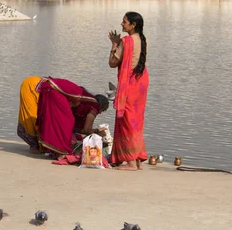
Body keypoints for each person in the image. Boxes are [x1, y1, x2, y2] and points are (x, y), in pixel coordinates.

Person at [108, 11, 149, 170]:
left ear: (133, 25)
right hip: (141, 82)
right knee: (136, 120)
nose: (121, 24)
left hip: (131, 85)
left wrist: (114, 44)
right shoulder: (143, 39)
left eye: (124, 22)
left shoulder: (127, 41)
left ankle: (131, 161)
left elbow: (112, 63)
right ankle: (137, 158)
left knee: (127, 120)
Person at [36, 77, 109, 156]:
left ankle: (53, 148)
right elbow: (87, 130)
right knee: (68, 121)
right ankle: (62, 151)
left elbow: (78, 129)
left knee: (61, 121)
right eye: (103, 110)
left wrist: (95, 131)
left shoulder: (86, 103)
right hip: (54, 91)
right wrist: (98, 133)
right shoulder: (94, 106)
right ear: (101, 106)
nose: (100, 112)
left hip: (51, 89)